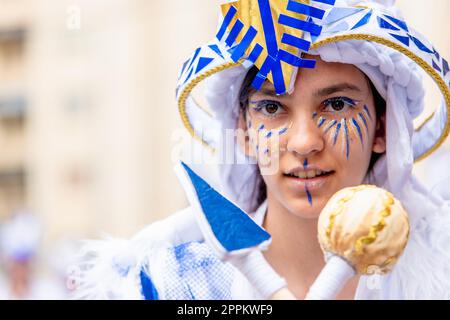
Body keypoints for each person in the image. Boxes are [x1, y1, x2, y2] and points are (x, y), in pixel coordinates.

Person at [73, 0, 450, 300]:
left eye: (336, 105)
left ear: (384, 127)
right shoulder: (170, 283)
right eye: (272, 108)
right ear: (244, 133)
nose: (304, 142)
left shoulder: (442, 272)